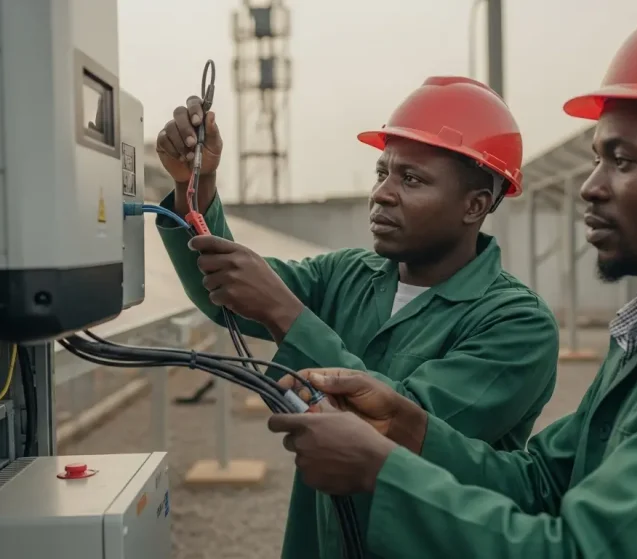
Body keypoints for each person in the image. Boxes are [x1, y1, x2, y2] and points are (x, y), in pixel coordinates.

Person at [267, 1, 637, 557]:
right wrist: (406, 427)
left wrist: (382, 471)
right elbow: (540, 482)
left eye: (624, 160)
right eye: (597, 157)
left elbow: (585, 550)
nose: (591, 186)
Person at [154, 76, 560, 558]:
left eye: (411, 179)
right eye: (382, 173)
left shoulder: (516, 323)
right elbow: (228, 293)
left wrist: (286, 312)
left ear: (474, 206)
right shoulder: (347, 274)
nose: (382, 194)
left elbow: (401, 423)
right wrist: (194, 185)